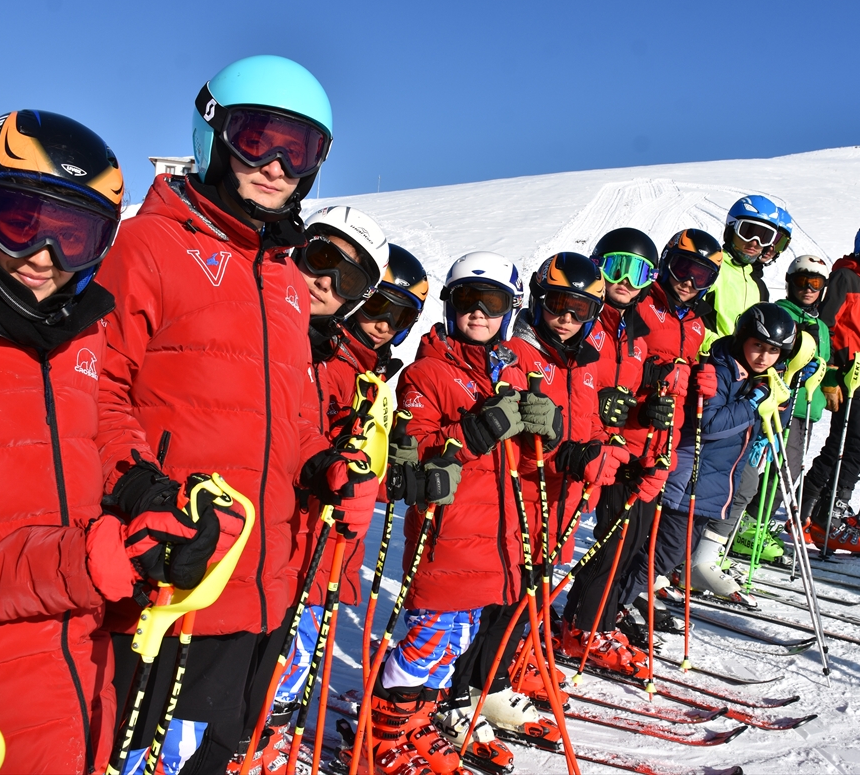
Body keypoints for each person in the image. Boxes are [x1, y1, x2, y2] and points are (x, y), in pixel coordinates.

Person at [0, 108, 230, 774]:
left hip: (83, 674)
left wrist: (147, 496)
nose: (47, 257)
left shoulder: (76, 331)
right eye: (20, 221)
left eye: (77, 236)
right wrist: (94, 559)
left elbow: (103, 428)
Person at [95, 56, 376, 773]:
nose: (278, 165)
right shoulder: (148, 246)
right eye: (259, 139)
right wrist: (139, 488)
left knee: (214, 755)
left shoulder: (282, 273)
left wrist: (319, 461)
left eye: (301, 148)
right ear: (214, 131)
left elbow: (292, 412)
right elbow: (95, 389)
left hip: (263, 582)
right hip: (173, 577)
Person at [434, 252, 623, 768]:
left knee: (526, 593)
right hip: (519, 494)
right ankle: (455, 693)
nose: (566, 317)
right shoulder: (516, 353)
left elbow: (593, 421)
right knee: (492, 594)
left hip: (563, 496)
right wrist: (565, 449)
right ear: (538, 302)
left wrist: (604, 450)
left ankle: (489, 682)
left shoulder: (583, 359)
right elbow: (514, 429)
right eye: (558, 304)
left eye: (579, 309)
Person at [364, 251, 536, 775]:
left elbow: (526, 457)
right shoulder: (427, 372)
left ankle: (417, 724)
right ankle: (385, 734)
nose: (478, 313)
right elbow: (416, 451)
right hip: (449, 533)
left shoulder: (516, 366)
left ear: (509, 310)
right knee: (428, 639)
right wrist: (477, 430)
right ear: (450, 306)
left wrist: (542, 430)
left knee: (454, 641)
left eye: (492, 303)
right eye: (467, 301)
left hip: (497, 533)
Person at [256, 206, 389, 768]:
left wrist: (347, 467)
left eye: (349, 278)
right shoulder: (257, 319)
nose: (326, 281)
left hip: (302, 540)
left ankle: (266, 739)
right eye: (320, 258)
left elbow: (315, 441)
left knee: (288, 655)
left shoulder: (333, 357)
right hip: (236, 541)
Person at [557, 229, 675, 674]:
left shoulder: (636, 333)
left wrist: (649, 408)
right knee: (591, 545)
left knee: (622, 544)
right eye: (615, 266)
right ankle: (580, 623)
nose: (625, 279)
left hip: (620, 450)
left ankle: (592, 623)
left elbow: (629, 391)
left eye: (638, 271)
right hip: (580, 449)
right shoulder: (586, 318)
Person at [614, 229, 720, 636]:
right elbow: (619, 360)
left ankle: (618, 602)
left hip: (665, 440)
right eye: (683, 269)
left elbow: (684, 372)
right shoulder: (642, 304)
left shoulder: (694, 322)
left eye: (703, 276)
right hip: (628, 435)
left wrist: (697, 380)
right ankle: (595, 612)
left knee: (642, 534)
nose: (689, 282)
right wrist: (655, 376)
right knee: (619, 535)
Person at [658, 303, 798, 603]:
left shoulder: (760, 374)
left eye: (773, 351)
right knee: (675, 534)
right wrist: (755, 400)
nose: (764, 356)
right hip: (697, 462)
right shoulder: (723, 369)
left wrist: (780, 399)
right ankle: (654, 575)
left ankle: (700, 560)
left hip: (729, 460)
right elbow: (710, 423)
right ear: (743, 338)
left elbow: (769, 426)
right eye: (758, 346)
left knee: (746, 486)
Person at [797, 220, 860, 551]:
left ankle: (808, 508)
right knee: (857, 446)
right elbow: (825, 325)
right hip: (846, 375)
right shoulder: (845, 277)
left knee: (841, 446)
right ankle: (829, 511)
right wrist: (829, 373)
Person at [733, 254, 835, 562]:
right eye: (802, 282)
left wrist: (833, 379)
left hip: (804, 408)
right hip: (777, 404)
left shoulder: (821, 326)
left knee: (786, 471)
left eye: (815, 284)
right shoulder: (780, 314)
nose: (808, 289)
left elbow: (822, 364)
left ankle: (754, 525)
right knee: (769, 469)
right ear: (790, 284)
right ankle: (744, 527)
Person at [705, 196, 793, 339]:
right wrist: (718, 349)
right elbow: (687, 320)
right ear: (731, 229)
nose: (754, 242)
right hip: (707, 358)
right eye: (747, 232)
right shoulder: (711, 269)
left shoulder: (758, 286)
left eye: (765, 237)